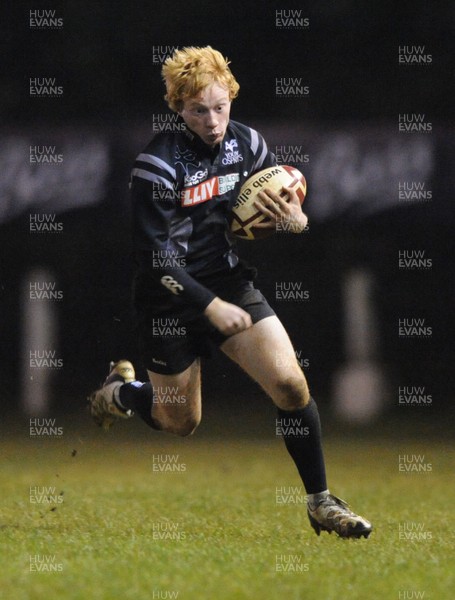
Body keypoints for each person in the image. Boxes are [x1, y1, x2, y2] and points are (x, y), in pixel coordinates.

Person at [89, 46, 372, 539]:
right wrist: (207, 305)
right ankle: (121, 392)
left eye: (221, 107)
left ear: (232, 99)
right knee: (180, 421)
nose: (213, 121)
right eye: (199, 110)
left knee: (290, 385)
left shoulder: (249, 145)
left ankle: (321, 502)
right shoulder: (156, 164)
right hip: (169, 299)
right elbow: (155, 259)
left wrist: (295, 219)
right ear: (178, 107)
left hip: (227, 282)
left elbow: (276, 206)